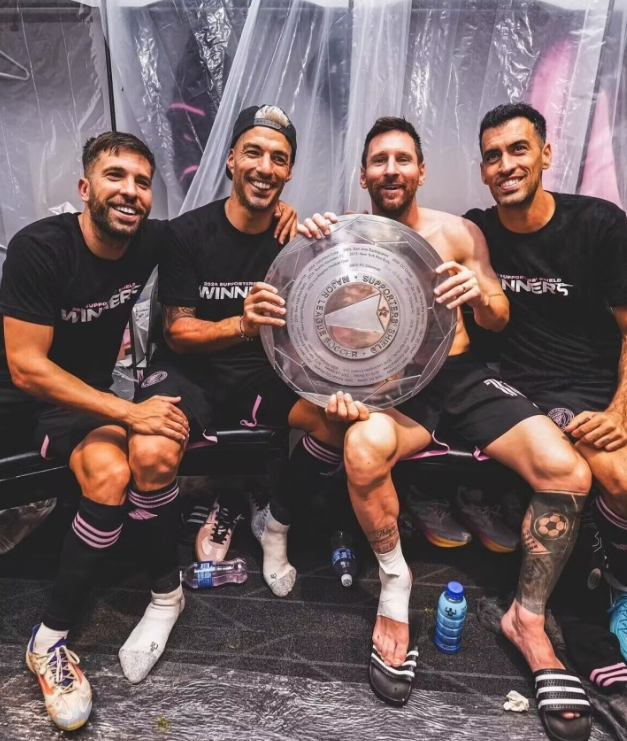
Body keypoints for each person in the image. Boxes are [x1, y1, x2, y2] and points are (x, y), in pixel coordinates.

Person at [300, 117, 593, 737]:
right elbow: (321, 326)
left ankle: (528, 619)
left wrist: (479, 294)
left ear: (421, 171)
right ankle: (394, 588)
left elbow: (498, 315)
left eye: (402, 159)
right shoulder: (343, 238)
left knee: (566, 471)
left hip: (463, 375)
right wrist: (310, 244)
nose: (391, 170)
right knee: (362, 449)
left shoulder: (459, 232)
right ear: (363, 175)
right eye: (379, 160)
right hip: (396, 387)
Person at [128, 104, 349, 683]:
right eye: (253, 152)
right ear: (230, 159)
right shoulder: (186, 233)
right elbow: (178, 330)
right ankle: (164, 597)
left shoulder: (293, 238)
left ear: (289, 172)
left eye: (278, 158)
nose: (264, 167)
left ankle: (276, 527)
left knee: (336, 422)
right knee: (148, 453)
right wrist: (242, 324)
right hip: (190, 371)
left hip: (259, 373)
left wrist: (322, 240)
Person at [0, 132, 189, 731]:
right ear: (85, 188)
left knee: (111, 472)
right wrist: (129, 412)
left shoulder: (149, 240)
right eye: (115, 176)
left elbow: (221, 227)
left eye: (142, 182)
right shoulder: (39, 249)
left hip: (74, 399)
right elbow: (26, 367)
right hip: (19, 398)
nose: (130, 191)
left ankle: (47, 641)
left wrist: (289, 216)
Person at [465, 103, 627, 659]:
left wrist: (619, 411)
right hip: (515, 388)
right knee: (590, 474)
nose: (506, 165)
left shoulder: (599, 224)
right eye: (493, 156)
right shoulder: (477, 230)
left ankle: (617, 589)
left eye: (519, 149)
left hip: (593, 386)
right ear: (483, 170)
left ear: (546, 154)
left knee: (621, 479)